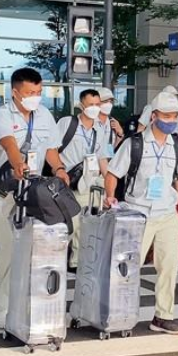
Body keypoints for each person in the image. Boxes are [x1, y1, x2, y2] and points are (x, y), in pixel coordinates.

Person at [0, 67, 69, 328]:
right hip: (2, 193)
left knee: (25, 251)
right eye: (30, 92)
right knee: (9, 250)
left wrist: (59, 169)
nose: (36, 97)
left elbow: (51, 149)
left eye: (39, 92)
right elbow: (9, 144)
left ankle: (3, 299)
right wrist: (19, 164)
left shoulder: (44, 115)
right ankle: (4, 308)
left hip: (30, 194)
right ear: (16, 92)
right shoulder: (2, 114)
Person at [104, 91, 178, 335]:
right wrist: (110, 196)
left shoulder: (176, 145)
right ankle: (116, 314)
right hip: (138, 213)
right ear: (153, 116)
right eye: (166, 115)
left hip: (167, 214)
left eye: (175, 115)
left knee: (169, 267)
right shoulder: (135, 143)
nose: (171, 120)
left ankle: (163, 316)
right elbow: (113, 173)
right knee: (129, 267)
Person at [57, 89, 109, 269]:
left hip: (88, 181)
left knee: (85, 223)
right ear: (81, 105)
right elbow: (52, 148)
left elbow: (102, 157)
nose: (94, 108)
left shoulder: (100, 129)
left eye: (97, 104)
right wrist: (58, 169)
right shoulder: (67, 123)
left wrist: (108, 183)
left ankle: (76, 261)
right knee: (69, 223)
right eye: (90, 105)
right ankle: (55, 258)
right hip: (65, 180)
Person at [137, 86, 178, 170]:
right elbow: (140, 129)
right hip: (147, 147)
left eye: (175, 97)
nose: (174, 99)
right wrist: (138, 145)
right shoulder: (150, 108)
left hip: (169, 149)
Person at [96, 87, 124, 159]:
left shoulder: (112, 123)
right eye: (105, 101)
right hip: (91, 166)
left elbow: (113, 149)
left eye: (111, 101)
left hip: (106, 165)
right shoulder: (90, 122)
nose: (109, 104)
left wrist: (119, 133)